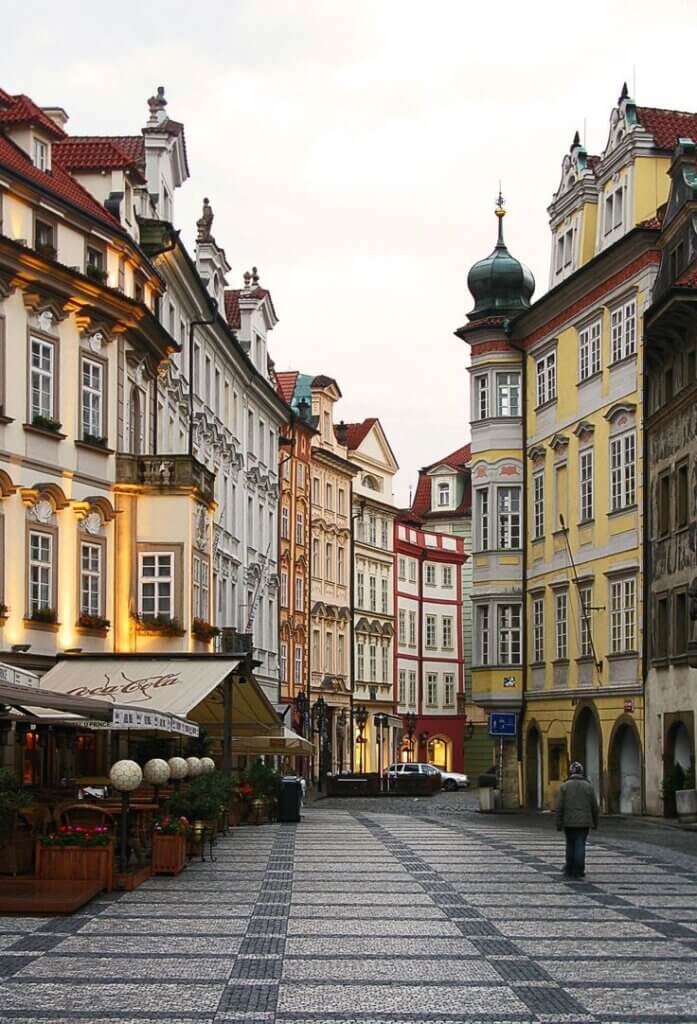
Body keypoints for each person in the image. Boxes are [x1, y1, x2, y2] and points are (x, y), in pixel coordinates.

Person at [555, 761, 599, 879]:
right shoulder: (588, 786)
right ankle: (579, 869)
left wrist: (559, 823)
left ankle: (569, 868)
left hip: (568, 821)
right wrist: (595, 822)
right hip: (584, 822)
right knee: (580, 844)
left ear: (571, 772)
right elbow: (594, 806)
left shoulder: (564, 786)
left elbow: (559, 806)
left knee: (570, 844)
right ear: (582, 772)